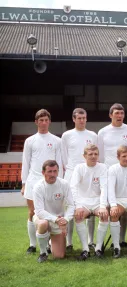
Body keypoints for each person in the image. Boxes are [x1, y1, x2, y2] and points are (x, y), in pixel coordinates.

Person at [21, 109, 62, 254]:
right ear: (36, 122)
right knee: (32, 212)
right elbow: (25, 162)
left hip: (51, 182)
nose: (44, 123)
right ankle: (32, 245)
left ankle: (50, 244)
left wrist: (59, 182)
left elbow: (59, 163)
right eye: (41, 120)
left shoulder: (57, 141)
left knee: (51, 212)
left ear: (49, 122)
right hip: (33, 181)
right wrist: (24, 183)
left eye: (46, 120)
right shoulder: (29, 141)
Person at [98, 103, 127, 248]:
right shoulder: (103, 132)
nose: (119, 116)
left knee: (123, 207)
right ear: (110, 115)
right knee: (107, 206)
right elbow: (100, 155)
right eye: (116, 113)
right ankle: (94, 241)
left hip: (125, 173)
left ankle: (121, 240)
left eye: (121, 113)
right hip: (108, 174)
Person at [61, 108, 98, 251]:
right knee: (70, 207)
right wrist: (71, 169)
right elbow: (64, 156)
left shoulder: (92, 135)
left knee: (91, 204)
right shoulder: (66, 135)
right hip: (71, 174)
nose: (82, 120)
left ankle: (90, 241)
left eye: (84, 118)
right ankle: (69, 242)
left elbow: (96, 153)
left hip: (89, 174)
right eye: (79, 118)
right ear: (74, 119)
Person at [70, 144, 108, 260]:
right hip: (83, 201)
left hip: (97, 201)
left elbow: (104, 188)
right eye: (90, 154)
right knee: (79, 216)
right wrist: (78, 206)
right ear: (84, 156)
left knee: (104, 215)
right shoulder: (79, 168)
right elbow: (73, 187)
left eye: (95, 154)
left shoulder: (103, 167)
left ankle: (98, 248)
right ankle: (85, 249)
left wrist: (103, 206)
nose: (93, 156)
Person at [33, 160, 75, 263]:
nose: (53, 174)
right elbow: (39, 211)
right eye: (50, 171)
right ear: (43, 173)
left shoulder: (64, 184)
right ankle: (43, 253)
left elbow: (71, 205)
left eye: (55, 171)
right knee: (43, 223)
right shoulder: (38, 187)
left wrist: (65, 220)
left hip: (60, 220)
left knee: (59, 256)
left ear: (58, 171)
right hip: (43, 218)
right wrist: (56, 219)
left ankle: (51, 242)